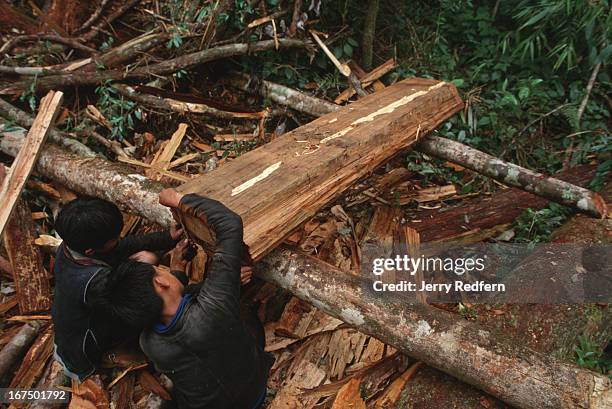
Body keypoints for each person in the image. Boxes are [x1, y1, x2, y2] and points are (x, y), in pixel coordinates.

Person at [111, 189, 273, 409]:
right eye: (161, 270)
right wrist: (180, 200)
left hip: (202, 404)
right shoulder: (214, 307)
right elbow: (229, 224)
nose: (164, 271)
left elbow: (181, 309)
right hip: (251, 396)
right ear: (160, 283)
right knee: (248, 316)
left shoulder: (149, 343)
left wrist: (178, 271)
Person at [51, 197, 183, 381]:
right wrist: (178, 272)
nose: (119, 240)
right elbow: (142, 304)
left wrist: (167, 239)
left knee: (146, 258)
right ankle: (114, 352)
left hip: (84, 315)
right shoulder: (94, 283)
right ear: (90, 251)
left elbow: (123, 246)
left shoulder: (71, 247)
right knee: (150, 277)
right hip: (86, 343)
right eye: (114, 238)